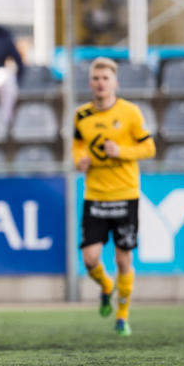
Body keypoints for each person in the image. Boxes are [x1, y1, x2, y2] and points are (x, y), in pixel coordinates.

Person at [73, 57, 156, 336]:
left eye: (105, 78)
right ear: (90, 83)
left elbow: (149, 148)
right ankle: (107, 287)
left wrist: (122, 152)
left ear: (115, 83)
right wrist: (79, 161)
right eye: (96, 78)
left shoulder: (130, 113)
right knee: (90, 259)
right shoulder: (82, 116)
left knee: (123, 260)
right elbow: (77, 146)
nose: (100, 83)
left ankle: (122, 316)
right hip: (95, 195)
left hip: (125, 194)